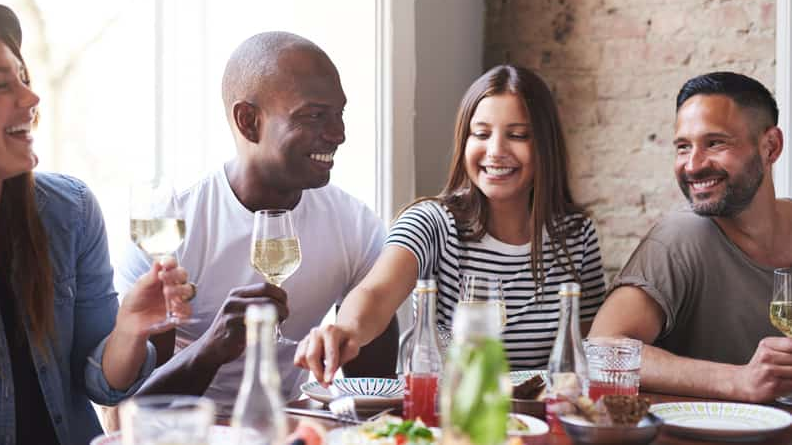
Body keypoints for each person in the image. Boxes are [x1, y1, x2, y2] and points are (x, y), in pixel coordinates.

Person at [0, 4, 195, 445]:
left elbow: (100, 382)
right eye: (2, 85)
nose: (31, 98)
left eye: (24, 78)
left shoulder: (69, 210)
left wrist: (130, 330)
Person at [116, 31, 397, 419]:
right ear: (248, 121)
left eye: (339, 114)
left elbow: (377, 395)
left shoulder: (356, 225)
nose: (339, 134)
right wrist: (212, 347)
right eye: (315, 115)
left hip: (297, 428)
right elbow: (130, 413)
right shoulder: (172, 228)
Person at [294, 64, 607, 384]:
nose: (496, 151)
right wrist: (344, 331)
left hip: (538, 421)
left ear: (544, 145)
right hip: (448, 416)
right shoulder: (430, 221)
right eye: (481, 134)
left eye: (517, 135)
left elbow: (585, 350)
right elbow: (375, 294)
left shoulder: (576, 235)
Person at [589, 71, 792, 402]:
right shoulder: (680, 237)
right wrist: (737, 381)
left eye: (714, 143)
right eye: (683, 147)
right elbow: (602, 349)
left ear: (770, 146)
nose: (693, 165)